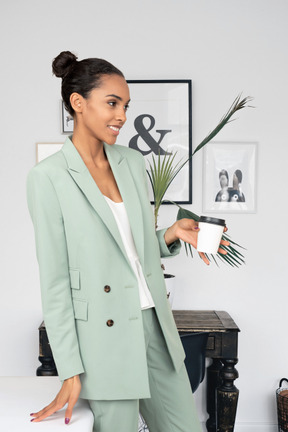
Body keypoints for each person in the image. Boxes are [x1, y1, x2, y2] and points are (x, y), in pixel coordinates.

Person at [27, 51, 229, 432]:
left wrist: (170, 234)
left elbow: (126, 251)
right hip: (103, 337)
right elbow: (54, 283)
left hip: (153, 323)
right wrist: (70, 370)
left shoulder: (131, 163)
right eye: (112, 103)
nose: (122, 115)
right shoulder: (48, 177)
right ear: (78, 103)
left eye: (125, 105)